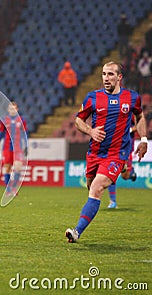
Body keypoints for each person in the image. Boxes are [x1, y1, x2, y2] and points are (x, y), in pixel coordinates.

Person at [65, 61, 148, 243]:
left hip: (116, 155)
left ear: (119, 77)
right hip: (94, 154)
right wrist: (90, 131)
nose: (106, 78)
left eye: (110, 74)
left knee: (96, 188)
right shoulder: (92, 97)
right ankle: (87, 218)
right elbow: (79, 120)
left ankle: (76, 232)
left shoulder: (132, 97)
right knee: (91, 188)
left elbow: (139, 116)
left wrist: (143, 139)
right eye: (103, 74)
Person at [0, 101, 27, 197]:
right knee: (7, 168)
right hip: (7, 148)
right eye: (10, 109)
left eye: (14, 109)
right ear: (8, 110)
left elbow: (24, 134)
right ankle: (8, 190)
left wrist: (26, 145)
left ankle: (13, 188)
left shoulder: (22, 120)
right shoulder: (4, 120)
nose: (12, 110)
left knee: (17, 168)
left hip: (18, 148)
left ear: (17, 109)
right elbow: (1, 134)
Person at [107, 117, 138, 209]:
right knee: (110, 173)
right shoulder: (113, 109)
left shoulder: (131, 109)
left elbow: (139, 124)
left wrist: (130, 129)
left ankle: (131, 173)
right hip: (114, 146)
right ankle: (113, 201)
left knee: (125, 176)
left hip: (126, 148)